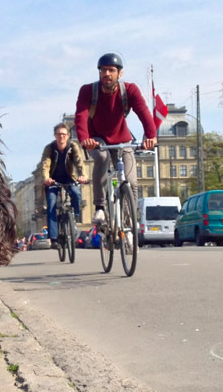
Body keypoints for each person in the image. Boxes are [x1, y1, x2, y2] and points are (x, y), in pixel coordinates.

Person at [73, 52, 157, 223]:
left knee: (131, 181)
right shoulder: (88, 91)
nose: (107, 74)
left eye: (111, 70)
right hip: (96, 140)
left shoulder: (130, 90)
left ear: (120, 73)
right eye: (103, 70)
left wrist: (151, 136)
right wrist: (85, 139)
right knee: (102, 158)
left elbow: (144, 113)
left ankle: (129, 221)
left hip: (122, 139)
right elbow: (80, 116)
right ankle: (100, 208)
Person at [39, 123, 87, 250]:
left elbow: (79, 162)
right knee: (51, 204)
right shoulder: (49, 148)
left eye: (64, 134)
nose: (61, 137)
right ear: (55, 135)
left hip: (68, 178)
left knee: (76, 193)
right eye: (59, 134)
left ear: (68, 136)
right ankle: (54, 238)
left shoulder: (72, 146)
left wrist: (82, 175)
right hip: (52, 180)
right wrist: (46, 178)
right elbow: (45, 165)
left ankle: (74, 217)